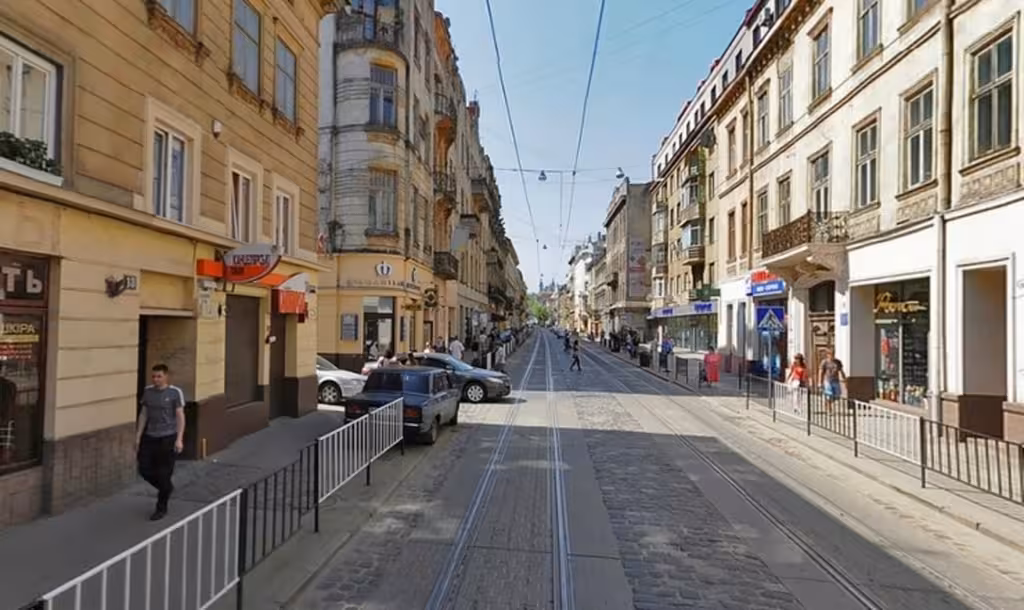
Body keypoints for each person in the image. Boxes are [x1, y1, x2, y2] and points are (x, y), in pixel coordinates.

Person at [136, 364, 185, 521]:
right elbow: (144, 414)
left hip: (168, 437)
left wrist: (179, 439)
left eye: (159, 376)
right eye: (153, 376)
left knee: (164, 473)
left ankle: (161, 508)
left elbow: (180, 416)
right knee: (144, 469)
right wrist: (138, 436)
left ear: (166, 376)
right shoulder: (148, 392)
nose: (156, 379)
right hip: (150, 436)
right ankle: (166, 488)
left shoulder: (174, 392)